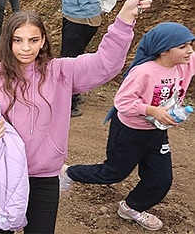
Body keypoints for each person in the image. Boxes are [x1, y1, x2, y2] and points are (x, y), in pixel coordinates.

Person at [0, 0, 155, 233]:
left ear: (43, 40)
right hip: (3, 176)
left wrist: (126, 17)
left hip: (45, 176)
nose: (26, 48)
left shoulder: (61, 72)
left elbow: (104, 64)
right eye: (18, 40)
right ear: (7, 42)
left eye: (33, 40)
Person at [60, 22, 195, 231]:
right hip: (129, 131)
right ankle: (68, 173)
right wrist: (152, 110)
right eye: (183, 46)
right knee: (112, 173)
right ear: (164, 50)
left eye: (191, 45)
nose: (190, 50)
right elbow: (122, 103)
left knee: (161, 179)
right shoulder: (144, 72)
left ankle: (131, 207)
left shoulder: (185, 64)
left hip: (156, 132)